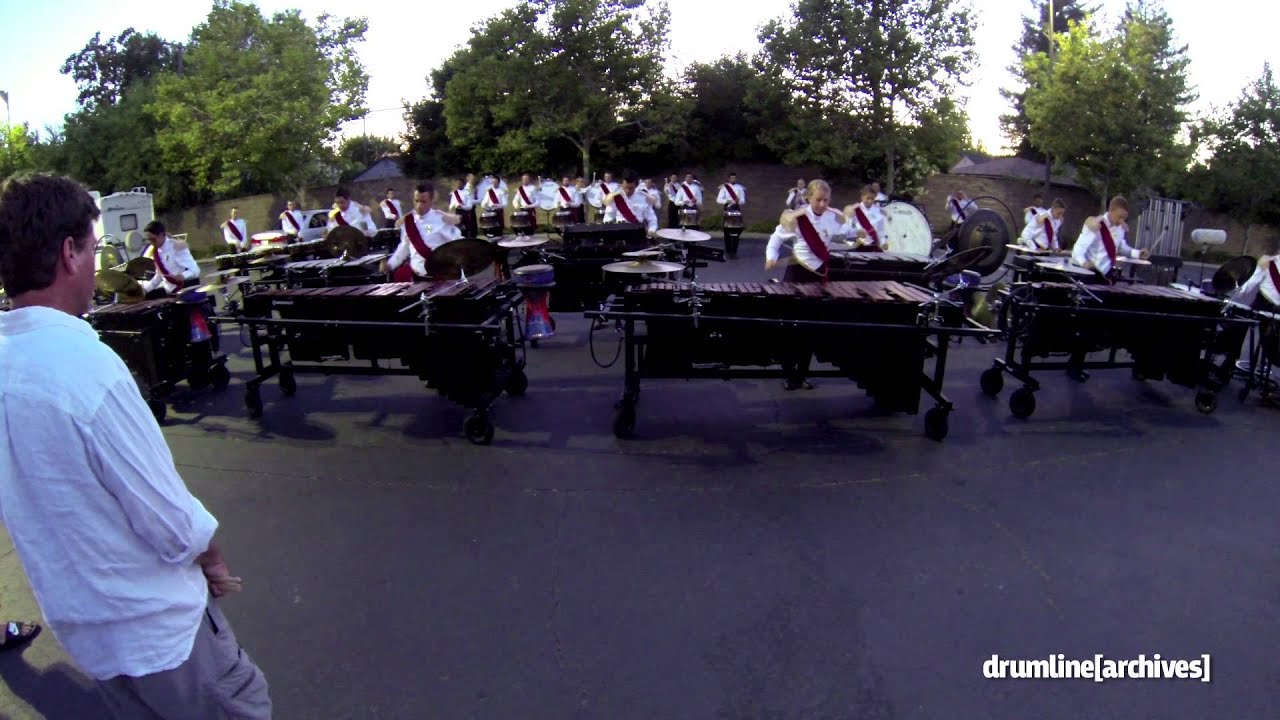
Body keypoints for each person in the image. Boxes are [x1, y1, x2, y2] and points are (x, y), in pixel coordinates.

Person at [0, 173, 271, 718]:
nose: (98, 262)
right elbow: (169, 520)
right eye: (95, 248)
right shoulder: (89, 368)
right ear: (69, 251)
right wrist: (212, 558)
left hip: (85, 630)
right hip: (158, 633)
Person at [765, 179, 849, 283]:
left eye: (825, 200)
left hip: (820, 271)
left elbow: (844, 232)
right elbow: (776, 238)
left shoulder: (832, 216)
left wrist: (858, 232)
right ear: (809, 198)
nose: (822, 204)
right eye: (818, 200)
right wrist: (771, 257)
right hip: (798, 271)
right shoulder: (796, 218)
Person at [384, 183, 463, 282]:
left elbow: (459, 244)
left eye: (423, 201)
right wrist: (390, 264)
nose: (419, 205)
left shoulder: (442, 219)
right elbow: (404, 247)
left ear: (431, 200)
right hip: (417, 277)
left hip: (441, 276)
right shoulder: (408, 222)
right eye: (416, 201)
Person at [1070, 195, 1149, 278]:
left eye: (1124, 218)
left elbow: (1121, 248)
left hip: (1106, 276)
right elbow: (1078, 248)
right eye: (1120, 217)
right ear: (1111, 211)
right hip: (1089, 274)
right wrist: (1084, 263)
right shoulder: (1095, 224)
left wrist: (1138, 253)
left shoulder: (1120, 228)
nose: (1121, 221)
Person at [140, 221, 201, 299]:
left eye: (152, 239)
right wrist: (144, 289)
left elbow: (195, 270)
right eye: (148, 240)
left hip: (185, 292)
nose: (151, 243)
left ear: (161, 235)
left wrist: (183, 276)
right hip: (170, 294)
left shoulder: (177, 247)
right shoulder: (156, 252)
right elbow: (159, 276)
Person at [602, 171, 659, 237]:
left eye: (631, 188)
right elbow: (608, 218)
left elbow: (652, 219)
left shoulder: (643, 198)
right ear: (622, 185)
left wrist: (651, 230)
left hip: (639, 234)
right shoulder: (616, 198)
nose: (627, 191)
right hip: (620, 235)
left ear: (636, 186)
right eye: (625, 187)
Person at [843, 185, 888, 252]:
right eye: (868, 198)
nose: (870, 201)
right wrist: (857, 233)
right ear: (862, 197)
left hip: (873, 247)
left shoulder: (878, 211)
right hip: (857, 246)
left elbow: (881, 230)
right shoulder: (854, 210)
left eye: (872, 199)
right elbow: (847, 230)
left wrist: (883, 242)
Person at [717, 173, 747, 257]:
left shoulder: (740, 188)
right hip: (727, 210)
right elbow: (719, 199)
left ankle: (734, 250)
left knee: (736, 231)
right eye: (732, 178)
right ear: (728, 179)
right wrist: (728, 201)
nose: (733, 180)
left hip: (736, 209)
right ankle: (728, 250)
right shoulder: (724, 188)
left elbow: (743, 200)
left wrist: (738, 201)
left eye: (734, 178)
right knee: (727, 231)